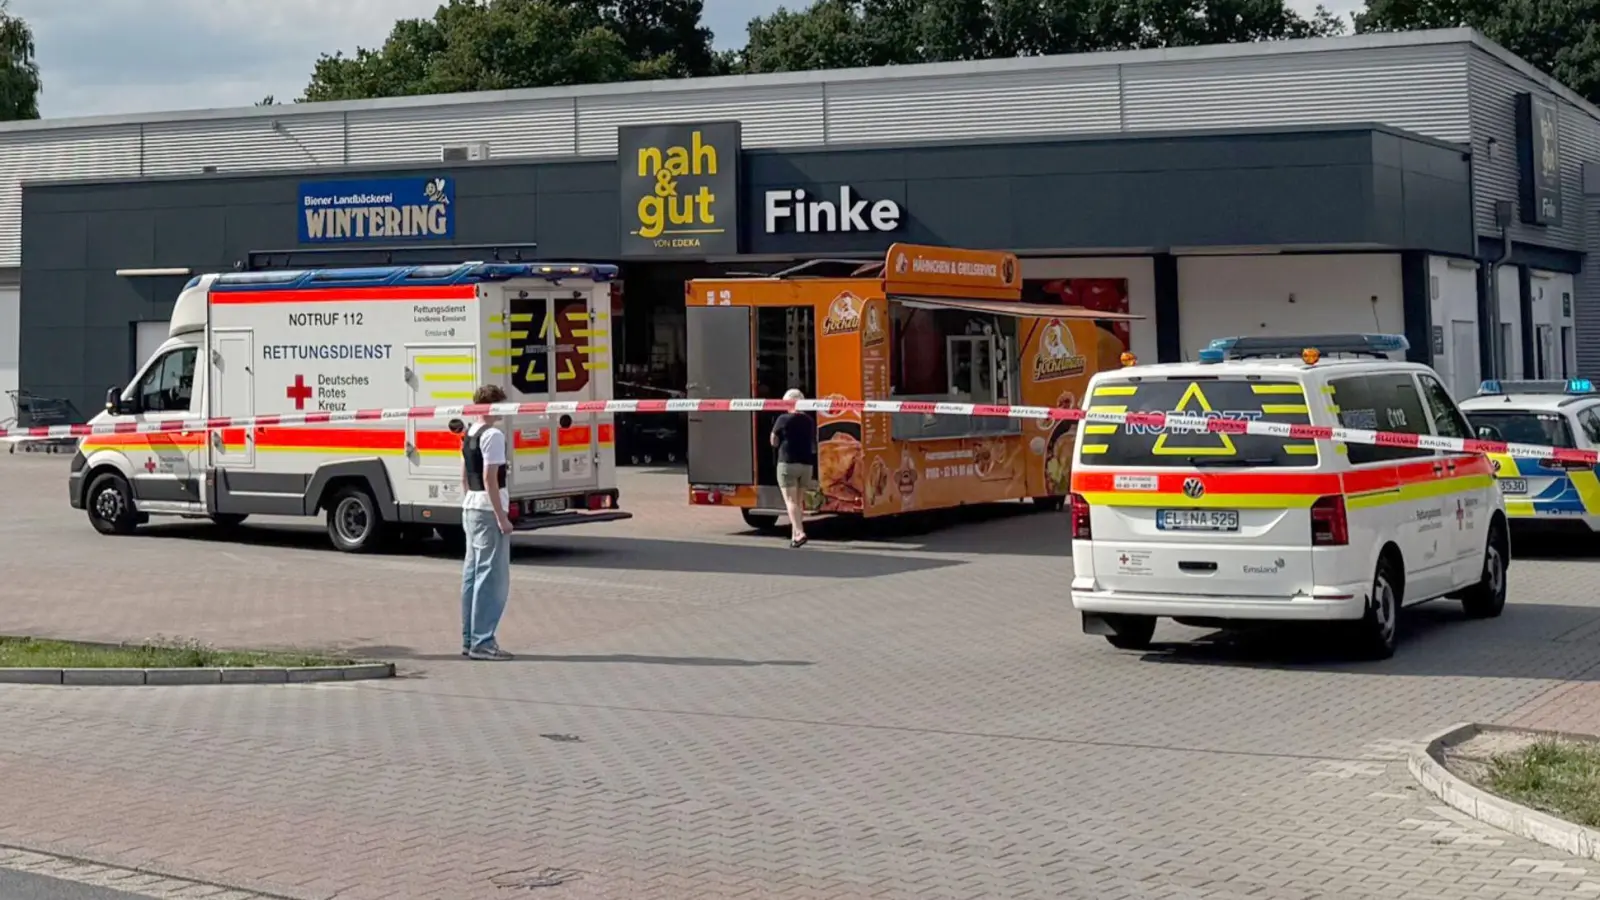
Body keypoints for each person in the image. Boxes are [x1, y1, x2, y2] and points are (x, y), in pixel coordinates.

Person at [459, 384, 514, 661]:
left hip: (471, 508)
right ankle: (483, 641)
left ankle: (470, 639)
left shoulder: (469, 432)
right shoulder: (493, 435)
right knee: (491, 577)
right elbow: (490, 477)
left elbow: (465, 476)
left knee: (472, 574)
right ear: (493, 405)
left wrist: (470, 500)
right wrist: (501, 516)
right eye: (502, 404)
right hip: (487, 510)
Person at [770, 388, 817, 548]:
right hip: (806, 465)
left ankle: (799, 532)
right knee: (799, 501)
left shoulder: (783, 419)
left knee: (790, 502)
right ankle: (794, 536)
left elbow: (773, 441)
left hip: (788, 463)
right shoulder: (809, 420)